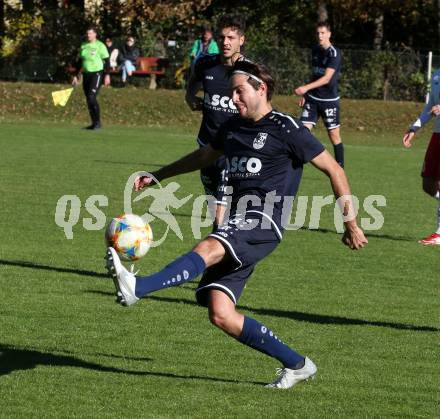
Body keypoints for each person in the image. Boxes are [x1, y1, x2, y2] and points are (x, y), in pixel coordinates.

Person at [106, 60, 368, 389]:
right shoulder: (233, 127)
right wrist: (159, 175)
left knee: (208, 246)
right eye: (232, 92)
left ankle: (137, 289)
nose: (234, 98)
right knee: (221, 313)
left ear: (262, 88)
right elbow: (203, 156)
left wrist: (351, 223)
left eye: (240, 91)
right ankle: (297, 364)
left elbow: (335, 170)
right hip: (239, 220)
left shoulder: (287, 129)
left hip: (265, 220)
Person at [185, 16, 245, 227]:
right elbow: (192, 83)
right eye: (222, 37)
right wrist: (191, 98)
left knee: (220, 218)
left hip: (232, 151)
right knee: (216, 216)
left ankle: (218, 254)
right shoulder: (205, 63)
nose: (226, 42)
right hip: (206, 147)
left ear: (241, 40)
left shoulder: (249, 71)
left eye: (231, 37)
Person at [294, 21, 344, 167]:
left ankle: (339, 167)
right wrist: (306, 93)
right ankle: (297, 164)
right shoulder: (315, 50)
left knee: (334, 136)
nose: (320, 36)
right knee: (302, 132)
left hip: (329, 101)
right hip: (312, 100)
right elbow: (315, 74)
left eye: (323, 33)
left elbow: (327, 78)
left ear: (329, 34)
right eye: (318, 33)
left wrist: (304, 88)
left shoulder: (335, 53)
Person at [402, 69, 440, 245]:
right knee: (428, 184)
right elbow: (430, 105)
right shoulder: (437, 74)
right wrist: (414, 128)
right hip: (437, 135)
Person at [72, 27, 110, 130]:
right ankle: (94, 123)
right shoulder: (83, 45)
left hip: (97, 74)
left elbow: (107, 61)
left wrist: (107, 75)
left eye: (90, 33)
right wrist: (76, 76)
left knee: (91, 97)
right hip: (86, 74)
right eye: (87, 34)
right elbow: (80, 62)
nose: (88, 35)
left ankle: (98, 123)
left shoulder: (100, 45)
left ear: (95, 34)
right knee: (89, 99)